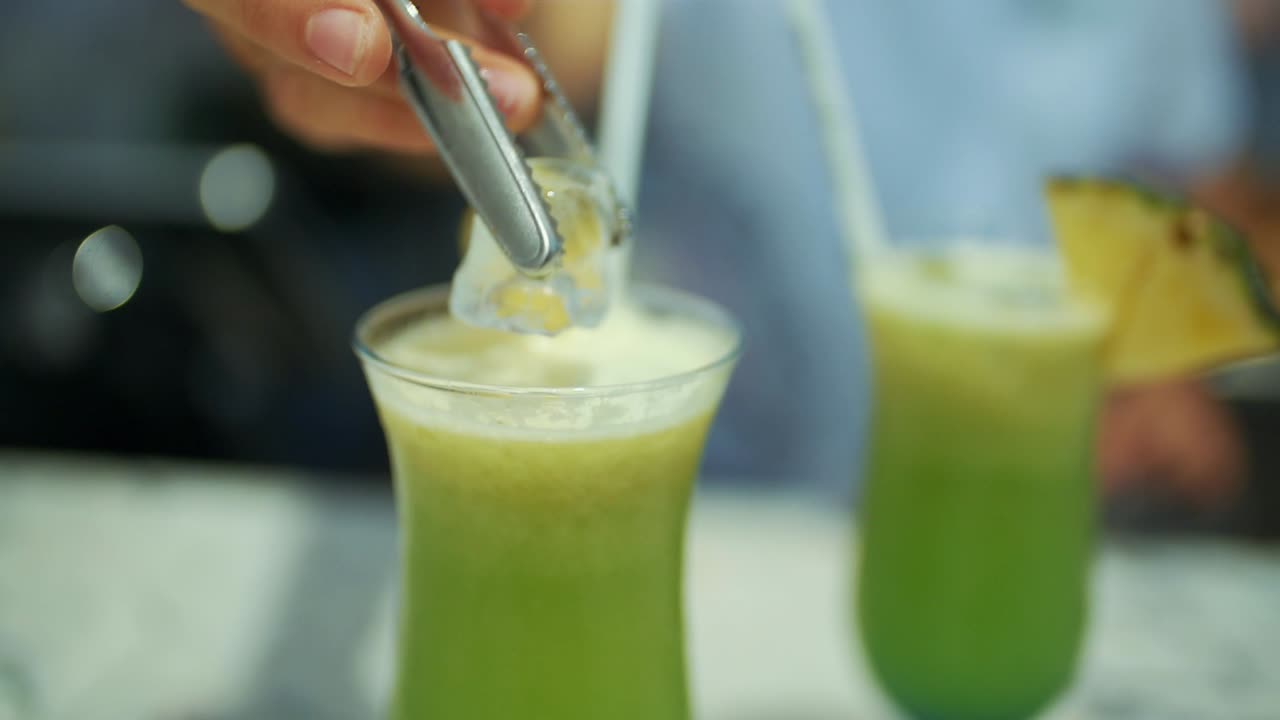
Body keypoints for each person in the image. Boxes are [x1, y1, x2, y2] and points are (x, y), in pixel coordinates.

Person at [185, 0, 1265, 515]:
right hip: (735, 525)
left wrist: (1160, 373)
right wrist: (376, 47)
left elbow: (1203, 202)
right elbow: (540, 39)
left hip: (1056, 514)